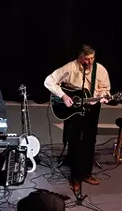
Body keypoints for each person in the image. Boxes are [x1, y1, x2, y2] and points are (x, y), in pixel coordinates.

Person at [44, 44, 111, 193]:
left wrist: (104, 97)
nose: (90, 62)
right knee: (75, 142)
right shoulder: (70, 67)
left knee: (89, 140)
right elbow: (48, 81)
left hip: (92, 108)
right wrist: (63, 95)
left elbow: (106, 89)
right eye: (87, 59)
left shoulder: (100, 70)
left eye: (92, 58)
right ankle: (75, 177)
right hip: (73, 109)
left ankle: (86, 173)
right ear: (80, 58)